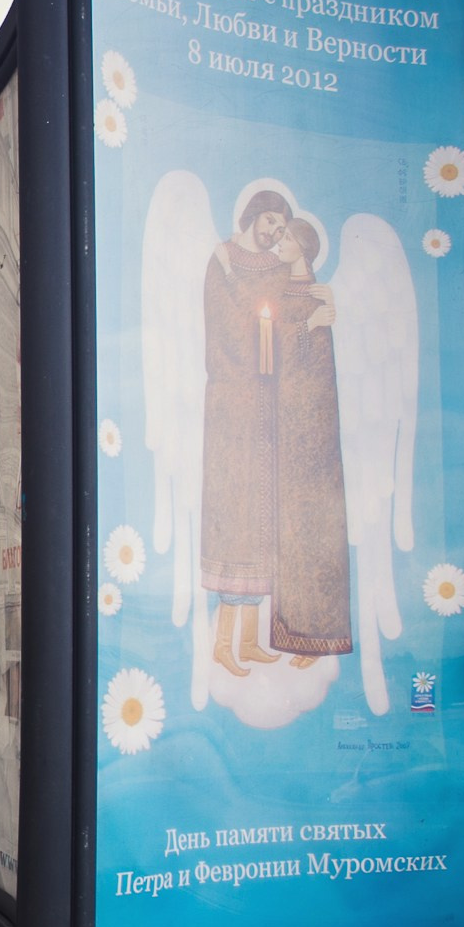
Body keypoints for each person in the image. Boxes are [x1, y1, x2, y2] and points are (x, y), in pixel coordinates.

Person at [199, 188, 297, 677]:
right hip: (232, 406)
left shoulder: (275, 269)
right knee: (235, 521)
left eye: (282, 229)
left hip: (264, 407)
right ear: (255, 215)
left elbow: (288, 311)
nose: (274, 233)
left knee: (263, 522)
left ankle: (253, 640)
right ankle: (223, 644)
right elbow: (221, 324)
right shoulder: (223, 260)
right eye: (271, 222)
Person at [266, 218, 352, 667]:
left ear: (302, 246)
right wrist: (309, 326)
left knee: (319, 529)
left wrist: (317, 322)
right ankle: (295, 633)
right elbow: (274, 357)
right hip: (290, 425)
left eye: (285, 238)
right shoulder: (282, 294)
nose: (278, 243)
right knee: (293, 530)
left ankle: (320, 637)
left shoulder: (318, 294)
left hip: (316, 431)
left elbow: (319, 372)